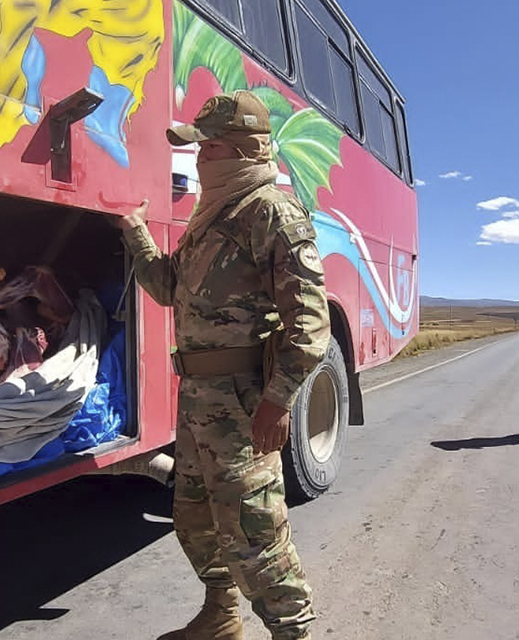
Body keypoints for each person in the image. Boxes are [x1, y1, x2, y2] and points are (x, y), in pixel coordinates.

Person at [117, 90, 328, 640]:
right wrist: (137, 232)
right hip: (200, 400)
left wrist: (278, 400)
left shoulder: (271, 212)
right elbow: (168, 288)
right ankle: (221, 616)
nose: (198, 158)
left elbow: (308, 324)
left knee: (254, 528)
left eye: (207, 147)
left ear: (238, 150)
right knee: (193, 518)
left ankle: (293, 632)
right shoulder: (213, 216)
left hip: (244, 400)